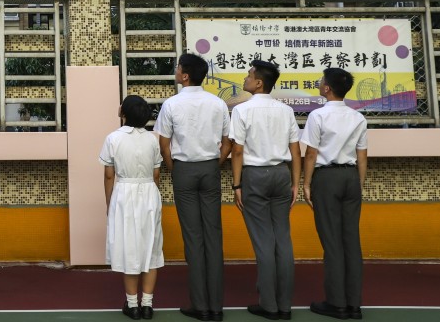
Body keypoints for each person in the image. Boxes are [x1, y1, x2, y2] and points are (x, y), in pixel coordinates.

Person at [153, 54, 231, 322]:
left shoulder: (171, 104)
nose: (175, 71)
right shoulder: (218, 102)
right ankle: (216, 306)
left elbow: (164, 144)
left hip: (184, 169)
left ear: (185, 75)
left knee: (193, 238)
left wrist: (175, 169)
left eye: (177, 68)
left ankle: (200, 305)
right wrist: (215, 163)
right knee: (213, 234)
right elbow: (228, 141)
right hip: (210, 167)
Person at [230, 59, 301, 321]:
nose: (245, 78)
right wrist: (295, 183)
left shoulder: (242, 111)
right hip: (281, 174)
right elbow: (295, 150)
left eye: (249, 75)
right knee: (283, 239)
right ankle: (285, 305)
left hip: (255, 176)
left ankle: (269, 305)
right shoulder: (286, 111)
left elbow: (237, 150)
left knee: (263, 243)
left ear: (259, 82)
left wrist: (237, 184)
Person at [302, 68, 368, 321]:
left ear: (327, 88)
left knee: (331, 242)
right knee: (351, 241)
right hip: (351, 178)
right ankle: (354, 304)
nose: (320, 83)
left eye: (321, 81)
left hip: (327, 178)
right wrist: (358, 184)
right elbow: (362, 155)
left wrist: (307, 183)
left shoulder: (317, 116)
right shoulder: (357, 117)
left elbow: (311, 154)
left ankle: (336, 303)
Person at [100, 94, 164, 321]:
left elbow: (109, 175)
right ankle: (147, 305)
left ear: (123, 113)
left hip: (124, 194)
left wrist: (110, 203)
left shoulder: (113, 139)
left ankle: (132, 305)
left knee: (129, 250)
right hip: (149, 193)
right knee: (151, 250)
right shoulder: (152, 140)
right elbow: (156, 174)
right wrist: (152, 198)